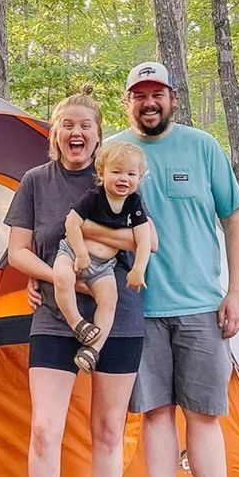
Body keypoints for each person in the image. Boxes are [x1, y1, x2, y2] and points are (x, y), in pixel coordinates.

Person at [109, 61, 239, 477]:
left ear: (172, 97)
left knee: (205, 417)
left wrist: (234, 291)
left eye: (157, 93)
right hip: (138, 311)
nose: (149, 102)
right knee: (154, 416)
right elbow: (83, 217)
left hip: (200, 308)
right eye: (139, 94)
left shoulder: (203, 147)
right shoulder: (114, 152)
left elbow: (233, 220)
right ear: (128, 101)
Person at [4, 84, 146, 477]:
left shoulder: (118, 180)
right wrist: (55, 274)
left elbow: (142, 238)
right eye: (67, 124)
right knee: (45, 429)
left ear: (98, 133)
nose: (76, 133)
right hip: (54, 320)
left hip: (120, 317)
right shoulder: (35, 182)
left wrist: (87, 254)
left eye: (86, 125)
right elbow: (17, 249)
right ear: (54, 133)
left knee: (108, 431)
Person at [52, 141, 157, 372]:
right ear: (102, 173)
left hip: (104, 266)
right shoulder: (94, 197)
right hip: (72, 253)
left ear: (140, 177)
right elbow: (71, 222)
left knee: (109, 301)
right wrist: (80, 254)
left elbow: (145, 239)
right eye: (116, 172)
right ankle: (76, 322)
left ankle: (92, 350)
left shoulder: (134, 203)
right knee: (61, 277)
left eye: (131, 174)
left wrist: (138, 269)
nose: (123, 179)